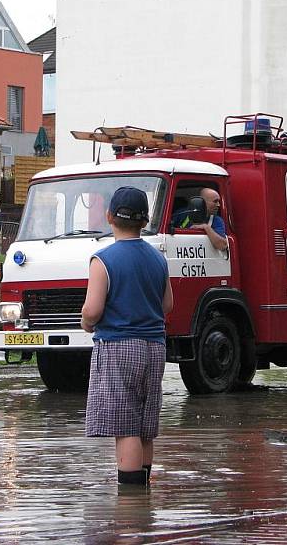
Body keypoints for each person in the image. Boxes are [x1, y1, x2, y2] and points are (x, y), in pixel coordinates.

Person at [81, 186, 174, 488]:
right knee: (145, 427)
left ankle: (131, 509)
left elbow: (93, 310)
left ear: (109, 217)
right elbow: (167, 305)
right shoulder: (158, 259)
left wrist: (85, 322)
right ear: (144, 220)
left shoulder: (102, 260)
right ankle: (145, 494)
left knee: (125, 427)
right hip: (155, 347)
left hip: (119, 346)